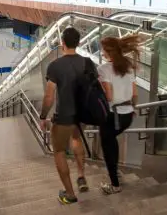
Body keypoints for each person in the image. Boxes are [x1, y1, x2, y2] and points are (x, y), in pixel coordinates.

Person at [40, 27, 93, 205]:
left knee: (59, 151)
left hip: (63, 117)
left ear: (62, 44)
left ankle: (70, 194)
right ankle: (81, 176)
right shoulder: (88, 63)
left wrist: (42, 116)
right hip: (82, 115)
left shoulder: (55, 66)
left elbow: (49, 96)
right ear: (78, 43)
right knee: (77, 140)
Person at [97, 35, 140, 195]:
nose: (101, 52)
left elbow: (109, 97)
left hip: (112, 117)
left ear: (107, 51)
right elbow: (135, 94)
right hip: (127, 115)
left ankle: (114, 185)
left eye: (102, 49)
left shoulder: (103, 69)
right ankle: (115, 173)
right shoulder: (128, 67)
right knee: (112, 142)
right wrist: (132, 108)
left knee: (108, 147)